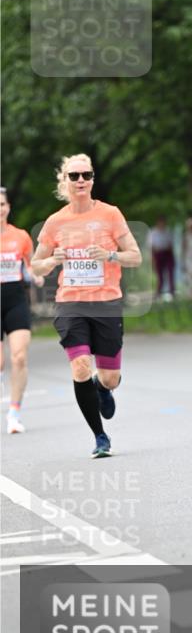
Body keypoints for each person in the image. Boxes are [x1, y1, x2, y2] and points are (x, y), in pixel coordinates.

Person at [31, 154, 142, 458]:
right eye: (74, 175)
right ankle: (100, 437)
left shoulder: (111, 215)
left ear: (93, 179)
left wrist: (109, 256)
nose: (81, 180)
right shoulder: (55, 222)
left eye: (87, 175)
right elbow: (36, 267)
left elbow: (135, 256)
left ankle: (102, 388)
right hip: (71, 303)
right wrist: (54, 260)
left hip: (107, 303)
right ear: (64, 181)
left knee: (110, 378)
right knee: (80, 367)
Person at [1, 187, 45, 434]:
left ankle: (14, 413)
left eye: (2, 204)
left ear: (8, 207)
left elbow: (30, 266)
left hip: (16, 299)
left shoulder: (21, 237)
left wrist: (34, 277)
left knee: (19, 357)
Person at [148, 216, 175, 299]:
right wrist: (152, 258)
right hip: (158, 254)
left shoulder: (168, 231)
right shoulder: (153, 233)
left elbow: (170, 245)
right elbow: (151, 247)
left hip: (167, 253)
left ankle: (172, 291)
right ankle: (159, 292)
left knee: (170, 273)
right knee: (160, 275)